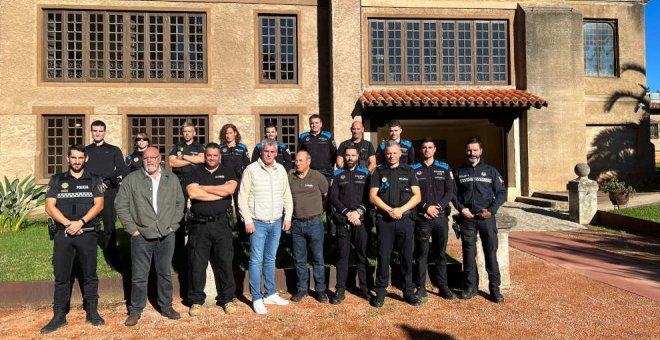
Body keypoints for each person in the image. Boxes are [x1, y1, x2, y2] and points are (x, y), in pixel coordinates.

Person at [115, 147, 186, 326]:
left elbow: (180, 203)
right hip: (141, 235)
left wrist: (173, 226)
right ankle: (136, 309)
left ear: (159, 158)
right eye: (146, 158)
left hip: (166, 234)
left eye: (153, 157)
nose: (149, 161)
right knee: (139, 275)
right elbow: (120, 205)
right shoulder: (132, 180)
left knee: (164, 272)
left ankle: (166, 306)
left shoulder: (172, 179)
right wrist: (132, 229)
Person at [41, 144, 105, 334]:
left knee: (90, 274)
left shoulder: (94, 179)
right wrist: (69, 224)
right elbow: (49, 207)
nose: (77, 161)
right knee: (61, 276)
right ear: (68, 159)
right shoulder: (57, 180)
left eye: (80, 158)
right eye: (73, 157)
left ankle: (92, 312)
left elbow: (99, 204)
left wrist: (81, 222)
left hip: (87, 232)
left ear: (86, 159)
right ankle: (59, 315)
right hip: (63, 234)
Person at [238, 138, 293, 315]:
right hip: (257, 223)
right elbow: (242, 196)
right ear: (261, 151)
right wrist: (247, 219)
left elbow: (287, 195)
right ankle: (256, 297)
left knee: (270, 259)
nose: (269, 154)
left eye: (272, 152)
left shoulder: (281, 170)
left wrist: (288, 216)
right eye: (266, 151)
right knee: (255, 260)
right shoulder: (251, 170)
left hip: (276, 221)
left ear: (276, 153)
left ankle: (270, 293)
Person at [185, 143, 239, 316]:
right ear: (204, 156)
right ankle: (196, 301)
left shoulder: (228, 170)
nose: (212, 158)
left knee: (225, 261)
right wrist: (219, 191)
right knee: (197, 263)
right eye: (209, 155)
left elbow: (229, 189)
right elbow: (193, 194)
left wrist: (204, 189)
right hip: (199, 225)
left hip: (222, 224)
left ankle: (228, 298)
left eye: (215, 155)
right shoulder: (195, 172)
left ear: (219, 156)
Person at [369, 141, 422, 307]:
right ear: (385, 154)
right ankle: (381, 292)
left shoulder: (409, 171)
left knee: (406, 257)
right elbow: (372, 196)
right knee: (383, 256)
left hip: (405, 220)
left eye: (394, 153)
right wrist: (389, 210)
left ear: (400, 154)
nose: (391, 156)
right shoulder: (379, 171)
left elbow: (417, 196)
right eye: (388, 153)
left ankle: (408, 291)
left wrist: (401, 210)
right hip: (385, 220)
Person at [454, 137, 507, 303]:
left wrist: (491, 211)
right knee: (469, 254)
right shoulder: (460, 171)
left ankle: (494, 289)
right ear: (466, 151)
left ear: (481, 151)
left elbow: (501, 193)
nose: (472, 153)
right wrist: (461, 209)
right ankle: (470, 288)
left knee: (490, 253)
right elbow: (453, 194)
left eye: (475, 150)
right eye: (469, 150)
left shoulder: (491, 171)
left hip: (486, 219)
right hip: (467, 219)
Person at [411, 138, 456, 300]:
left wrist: (437, 207)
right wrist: (425, 207)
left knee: (440, 253)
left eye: (430, 147)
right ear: (420, 150)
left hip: (440, 218)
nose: (427, 150)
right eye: (424, 148)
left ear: (435, 150)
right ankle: (421, 287)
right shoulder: (414, 169)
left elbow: (450, 191)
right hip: (422, 218)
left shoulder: (444, 168)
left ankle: (443, 286)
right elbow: (411, 193)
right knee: (421, 253)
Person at [329, 145, 370, 304]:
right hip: (344, 221)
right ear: (344, 157)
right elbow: (333, 198)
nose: (350, 158)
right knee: (342, 256)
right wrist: (347, 213)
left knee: (362, 254)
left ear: (358, 156)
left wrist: (358, 212)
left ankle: (365, 288)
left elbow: (369, 197)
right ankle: (340, 289)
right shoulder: (337, 174)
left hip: (361, 220)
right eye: (347, 155)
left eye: (353, 155)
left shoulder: (366, 174)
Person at [85, 120, 128, 270]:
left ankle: (112, 257)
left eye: (100, 131)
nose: (97, 133)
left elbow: (122, 169)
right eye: (95, 131)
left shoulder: (113, 150)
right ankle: (89, 258)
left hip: (108, 191)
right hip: (91, 193)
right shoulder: (85, 151)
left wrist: (106, 181)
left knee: (109, 226)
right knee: (90, 225)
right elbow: (82, 172)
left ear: (105, 132)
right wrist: (96, 182)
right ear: (91, 132)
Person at [288, 150, 329, 303]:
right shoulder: (291, 178)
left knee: (318, 258)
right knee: (299, 259)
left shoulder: (317, 176)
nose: (297, 163)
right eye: (296, 161)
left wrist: (320, 210)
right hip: (297, 224)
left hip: (315, 223)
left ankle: (320, 290)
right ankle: (301, 289)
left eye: (300, 161)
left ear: (308, 162)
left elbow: (326, 194)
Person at [218, 124, 251, 244]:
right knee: (224, 208)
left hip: (239, 182)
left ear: (235, 133)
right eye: (226, 133)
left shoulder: (242, 148)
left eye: (230, 132)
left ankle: (243, 237)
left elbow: (248, 165)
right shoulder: (220, 148)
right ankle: (225, 235)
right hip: (225, 183)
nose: (228, 135)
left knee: (240, 208)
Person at [298, 114, 337, 179]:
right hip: (309, 171)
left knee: (326, 189)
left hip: (326, 172)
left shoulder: (328, 136)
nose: (314, 125)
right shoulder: (303, 137)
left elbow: (335, 153)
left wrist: (330, 166)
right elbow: (300, 154)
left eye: (316, 123)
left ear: (321, 124)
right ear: (310, 124)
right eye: (312, 123)